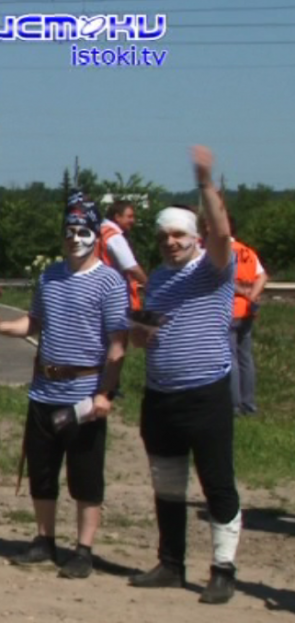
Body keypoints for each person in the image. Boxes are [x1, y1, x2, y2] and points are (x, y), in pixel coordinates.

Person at [0, 193, 129, 580]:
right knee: (42, 471)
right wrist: (0, 327)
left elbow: (117, 343)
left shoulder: (110, 282)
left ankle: (84, 549)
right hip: (44, 389)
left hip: (84, 390)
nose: (74, 239)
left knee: (85, 475)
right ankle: (44, 539)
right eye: (68, 232)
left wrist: (105, 393)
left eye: (82, 231)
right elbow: (34, 323)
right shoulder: (50, 277)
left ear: (95, 235)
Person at [127, 146, 241, 604]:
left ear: (194, 237)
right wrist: (141, 335)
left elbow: (223, 233)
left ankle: (224, 569)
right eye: (162, 237)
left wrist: (205, 181)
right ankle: (171, 562)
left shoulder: (214, 269)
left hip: (205, 394)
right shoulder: (156, 278)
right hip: (160, 396)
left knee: (216, 481)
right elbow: (145, 331)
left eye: (178, 235)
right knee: (167, 481)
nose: (170, 243)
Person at [228, 217, 267, 416]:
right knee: (246, 357)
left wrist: (241, 292)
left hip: (229, 307)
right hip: (248, 310)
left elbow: (223, 278)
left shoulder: (220, 251)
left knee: (231, 357)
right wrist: (252, 295)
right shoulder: (247, 251)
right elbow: (262, 275)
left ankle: (234, 405)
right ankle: (249, 404)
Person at [99, 199, 148, 310]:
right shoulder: (114, 236)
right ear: (117, 217)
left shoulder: (99, 231)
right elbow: (131, 267)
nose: (133, 220)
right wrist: (148, 285)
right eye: (129, 217)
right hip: (117, 295)